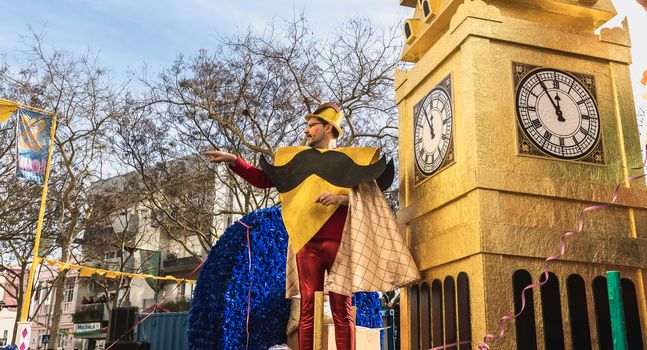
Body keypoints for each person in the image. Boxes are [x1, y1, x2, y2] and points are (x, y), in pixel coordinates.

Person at [204, 102, 419, 350]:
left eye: (311, 125)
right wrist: (235, 161)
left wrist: (342, 199)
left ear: (328, 128)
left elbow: (373, 198)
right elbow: (266, 180)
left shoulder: (352, 160)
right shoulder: (296, 159)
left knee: (342, 308)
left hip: (341, 245)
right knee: (307, 307)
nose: (306, 130)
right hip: (307, 244)